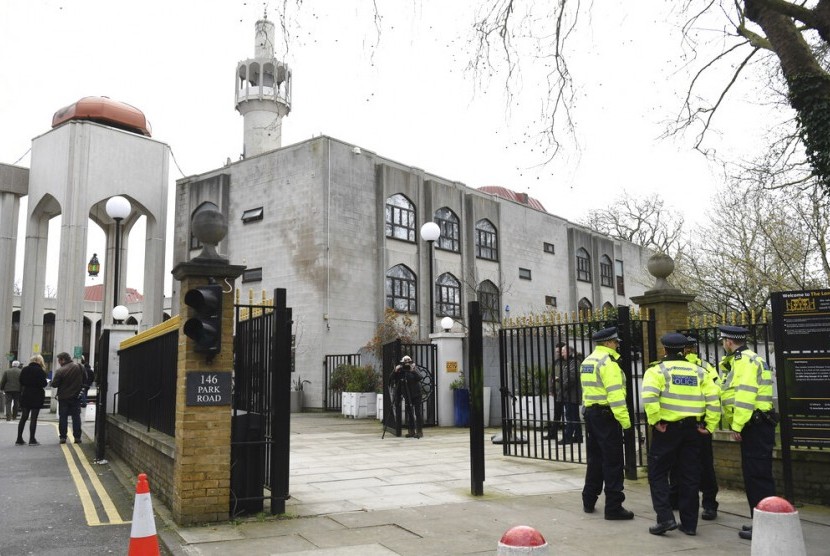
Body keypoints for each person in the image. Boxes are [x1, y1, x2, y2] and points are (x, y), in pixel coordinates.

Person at [642, 333, 721, 536]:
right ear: (684, 349)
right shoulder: (700, 371)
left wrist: (655, 420)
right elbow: (713, 399)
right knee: (689, 476)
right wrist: (710, 425)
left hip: (667, 429)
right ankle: (689, 524)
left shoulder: (657, 370)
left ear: (664, 349)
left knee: (658, 473)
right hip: (692, 430)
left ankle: (666, 518)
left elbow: (649, 397)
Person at [718, 325, 777, 541]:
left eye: (723, 341)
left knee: (757, 476)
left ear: (729, 342)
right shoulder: (749, 359)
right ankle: (761, 519)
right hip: (757, 425)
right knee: (756, 474)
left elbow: (744, 396)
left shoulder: (744, 362)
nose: (723, 344)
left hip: (755, 425)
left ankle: (765, 524)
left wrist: (737, 425)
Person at [580, 326, 634, 520]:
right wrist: (626, 424)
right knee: (613, 462)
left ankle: (589, 499)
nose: (618, 345)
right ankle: (613, 507)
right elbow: (616, 396)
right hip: (606, 417)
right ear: (607, 343)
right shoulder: (608, 363)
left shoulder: (588, 361)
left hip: (592, 415)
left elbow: (586, 392)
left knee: (595, 459)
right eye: (616, 342)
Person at [51, 352, 85, 444]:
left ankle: (63, 437)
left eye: (59, 360)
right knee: (76, 417)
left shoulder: (60, 371)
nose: (59, 362)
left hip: (63, 397)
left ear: (63, 360)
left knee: (63, 417)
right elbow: (86, 379)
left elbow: (54, 384)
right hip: (76, 397)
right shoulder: (79, 367)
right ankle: (77, 437)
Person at [16, 355, 48, 446]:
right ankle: (32, 439)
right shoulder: (40, 371)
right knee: (33, 418)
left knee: (24, 417)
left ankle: (19, 439)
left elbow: (21, 381)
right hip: (37, 395)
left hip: (26, 394)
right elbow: (44, 384)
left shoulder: (25, 369)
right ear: (40, 361)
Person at [558, 344, 584, 444]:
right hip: (569, 394)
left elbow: (572, 377)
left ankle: (567, 438)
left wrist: (563, 386)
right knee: (574, 417)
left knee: (570, 417)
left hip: (572, 394)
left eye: (563, 351)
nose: (561, 353)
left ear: (569, 352)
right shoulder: (570, 362)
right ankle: (578, 436)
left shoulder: (575, 362)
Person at [393, 355, 424, 438]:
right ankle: (411, 431)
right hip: (407, 395)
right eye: (405, 362)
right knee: (410, 413)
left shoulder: (414, 368)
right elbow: (393, 379)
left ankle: (419, 432)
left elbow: (420, 377)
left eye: (408, 362)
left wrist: (412, 370)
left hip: (416, 394)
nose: (407, 364)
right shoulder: (401, 370)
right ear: (402, 363)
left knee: (417, 413)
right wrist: (395, 370)